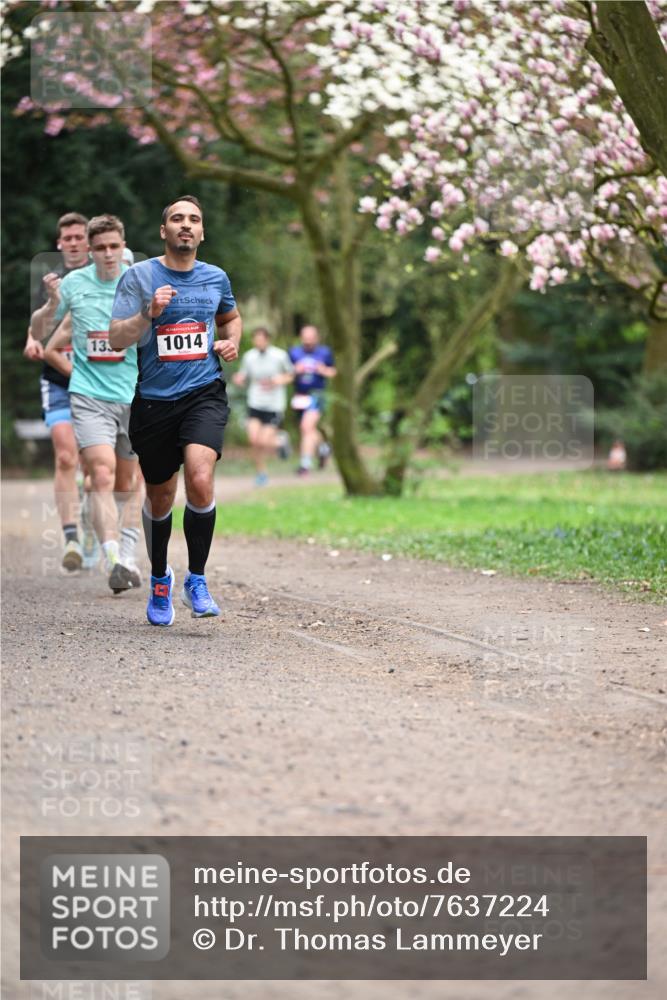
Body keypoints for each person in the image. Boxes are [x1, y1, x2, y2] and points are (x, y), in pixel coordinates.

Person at [109, 195, 242, 626]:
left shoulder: (216, 277)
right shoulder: (139, 276)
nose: (186, 225)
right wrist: (149, 314)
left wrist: (231, 341)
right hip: (153, 402)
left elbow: (231, 318)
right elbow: (116, 338)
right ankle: (160, 578)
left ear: (202, 232)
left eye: (194, 220)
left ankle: (197, 580)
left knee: (200, 480)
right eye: (177, 219)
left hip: (203, 392)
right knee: (161, 496)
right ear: (164, 231)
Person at [42, 214, 143, 594]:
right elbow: (45, 335)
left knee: (129, 480)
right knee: (99, 474)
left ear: (123, 247)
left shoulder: (140, 284)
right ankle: (114, 558)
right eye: (99, 247)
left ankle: (129, 552)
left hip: (133, 395)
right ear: (89, 249)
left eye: (114, 246)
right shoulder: (75, 286)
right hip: (89, 397)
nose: (107, 254)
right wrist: (81, 374)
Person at [24, 212, 95, 571]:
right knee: (67, 456)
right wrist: (32, 341)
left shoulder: (103, 278)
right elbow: (37, 325)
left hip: (97, 380)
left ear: (89, 240)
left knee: (94, 464)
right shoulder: (50, 281)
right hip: (57, 379)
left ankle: (93, 523)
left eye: (79, 236)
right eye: (66, 238)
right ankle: (71, 538)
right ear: (59, 243)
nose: (73, 242)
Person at [232, 327, 294, 486]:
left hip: (273, 405)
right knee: (253, 440)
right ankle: (261, 473)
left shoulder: (280, 355)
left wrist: (278, 380)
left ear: (267, 339)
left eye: (261, 338)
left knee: (264, 442)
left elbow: (290, 375)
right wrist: (239, 379)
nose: (258, 342)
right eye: (255, 339)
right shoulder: (249, 357)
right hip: (255, 403)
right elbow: (244, 375)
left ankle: (281, 441)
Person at [288, 324, 336, 475]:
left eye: (311, 337)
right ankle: (323, 448)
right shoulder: (294, 352)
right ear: (301, 338)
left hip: (317, 394)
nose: (308, 341)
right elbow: (287, 373)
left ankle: (305, 464)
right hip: (300, 395)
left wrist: (323, 370)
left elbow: (333, 372)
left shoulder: (325, 352)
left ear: (317, 338)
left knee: (306, 427)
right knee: (308, 429)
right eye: (305, 337)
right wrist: (296, 370)